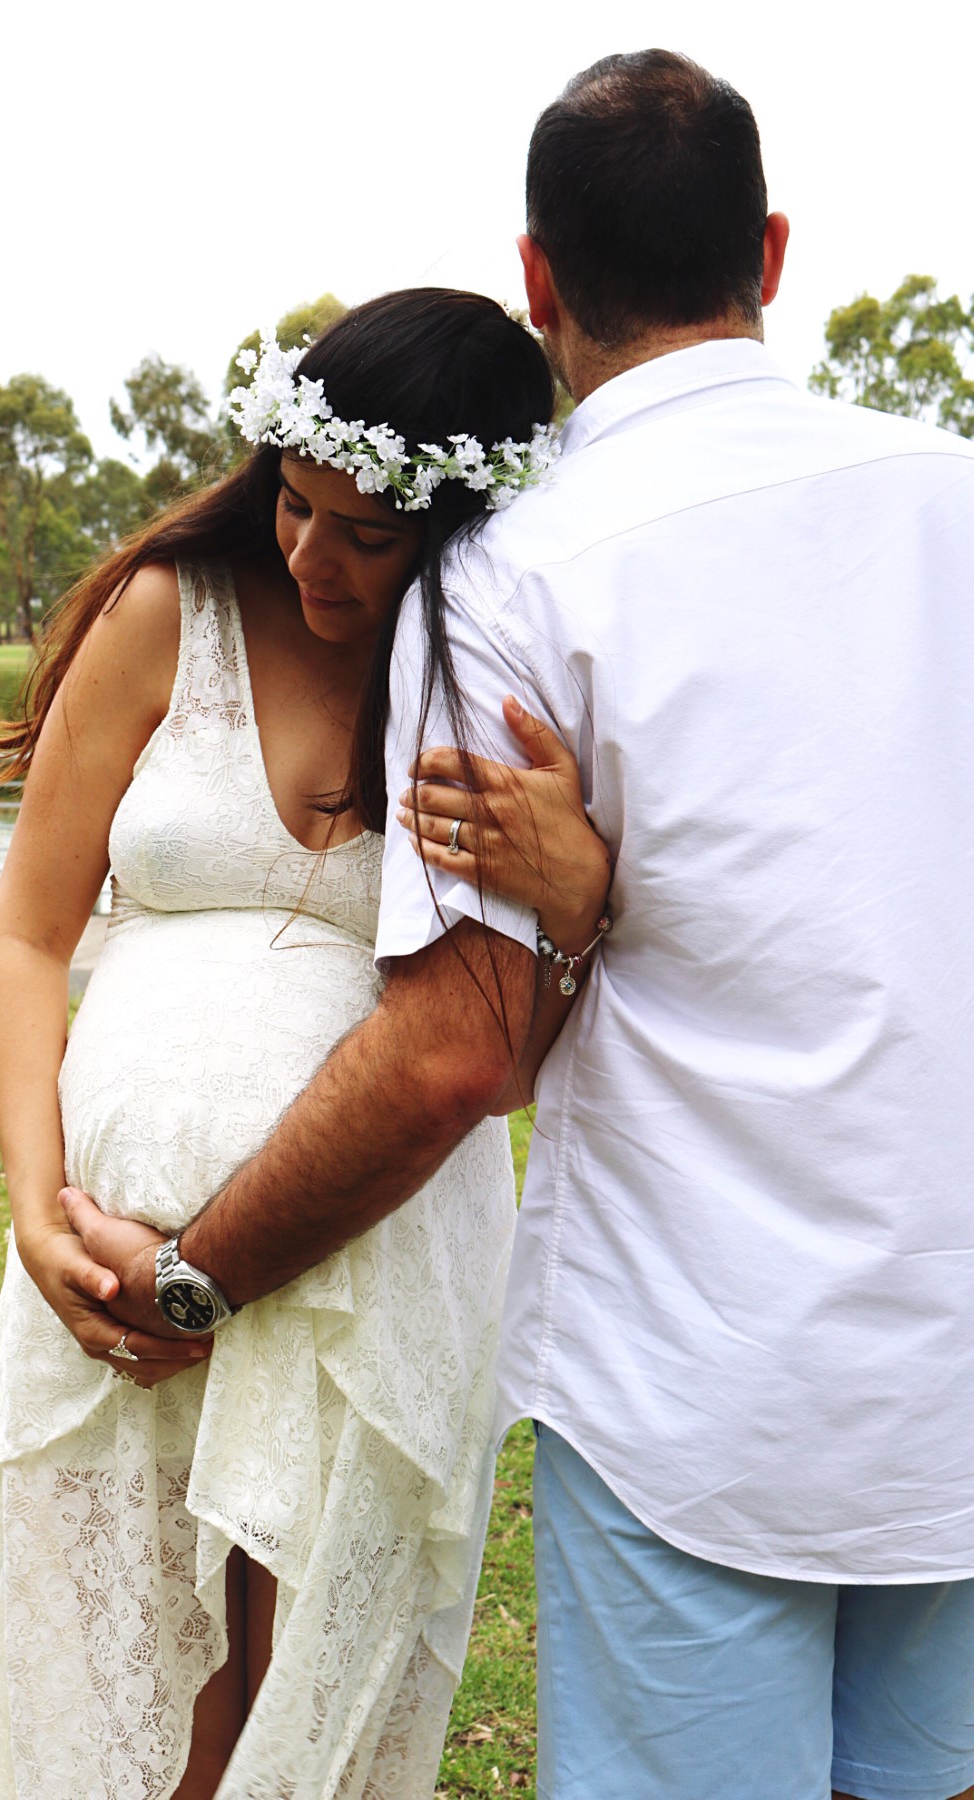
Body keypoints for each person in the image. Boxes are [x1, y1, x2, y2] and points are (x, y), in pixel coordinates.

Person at [66, 50, 974, 1800]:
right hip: (946, 1361)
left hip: (697, 1380)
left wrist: (198, 1279)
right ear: (769, 255)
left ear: (539, 278)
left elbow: (451, 1052)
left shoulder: (521, 569)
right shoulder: (953, 500)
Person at [0, 288, 612, 1800]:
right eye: (296, 504)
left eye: (368, 534)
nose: (312, 555)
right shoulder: (170, 611)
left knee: (301, 1718)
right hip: (110, 1252)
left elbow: (503, 1050)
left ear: (453, 526)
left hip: (369, 1273)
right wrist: (37, 1205)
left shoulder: (496, 671)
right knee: (138, 1713)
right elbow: (28, 934)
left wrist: (575, 895)